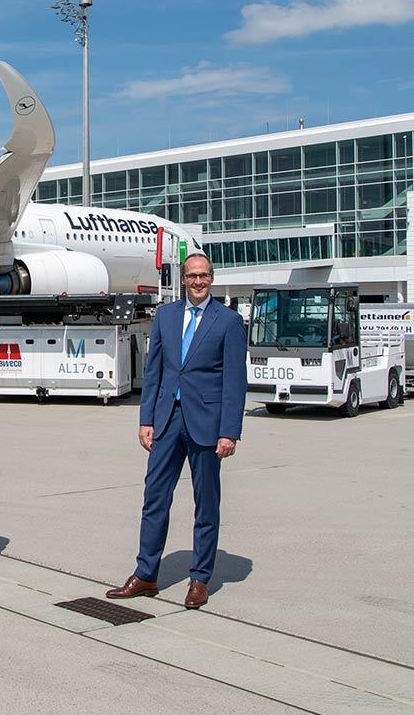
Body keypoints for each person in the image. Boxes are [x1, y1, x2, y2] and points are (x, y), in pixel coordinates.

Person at [107, 253, 247, 609]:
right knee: (154, 498)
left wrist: (229, 431)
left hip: (207, 425)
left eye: (204, 276)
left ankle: (200, 578)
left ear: (211, 278)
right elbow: (154, 373)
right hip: (167, 420)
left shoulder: (228, 322)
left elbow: (234, 382)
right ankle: (146, 574)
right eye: (192, 276)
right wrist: (146, 419)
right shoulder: (166, 317)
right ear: (183, 279)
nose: (198, 282)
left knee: (206, 504)